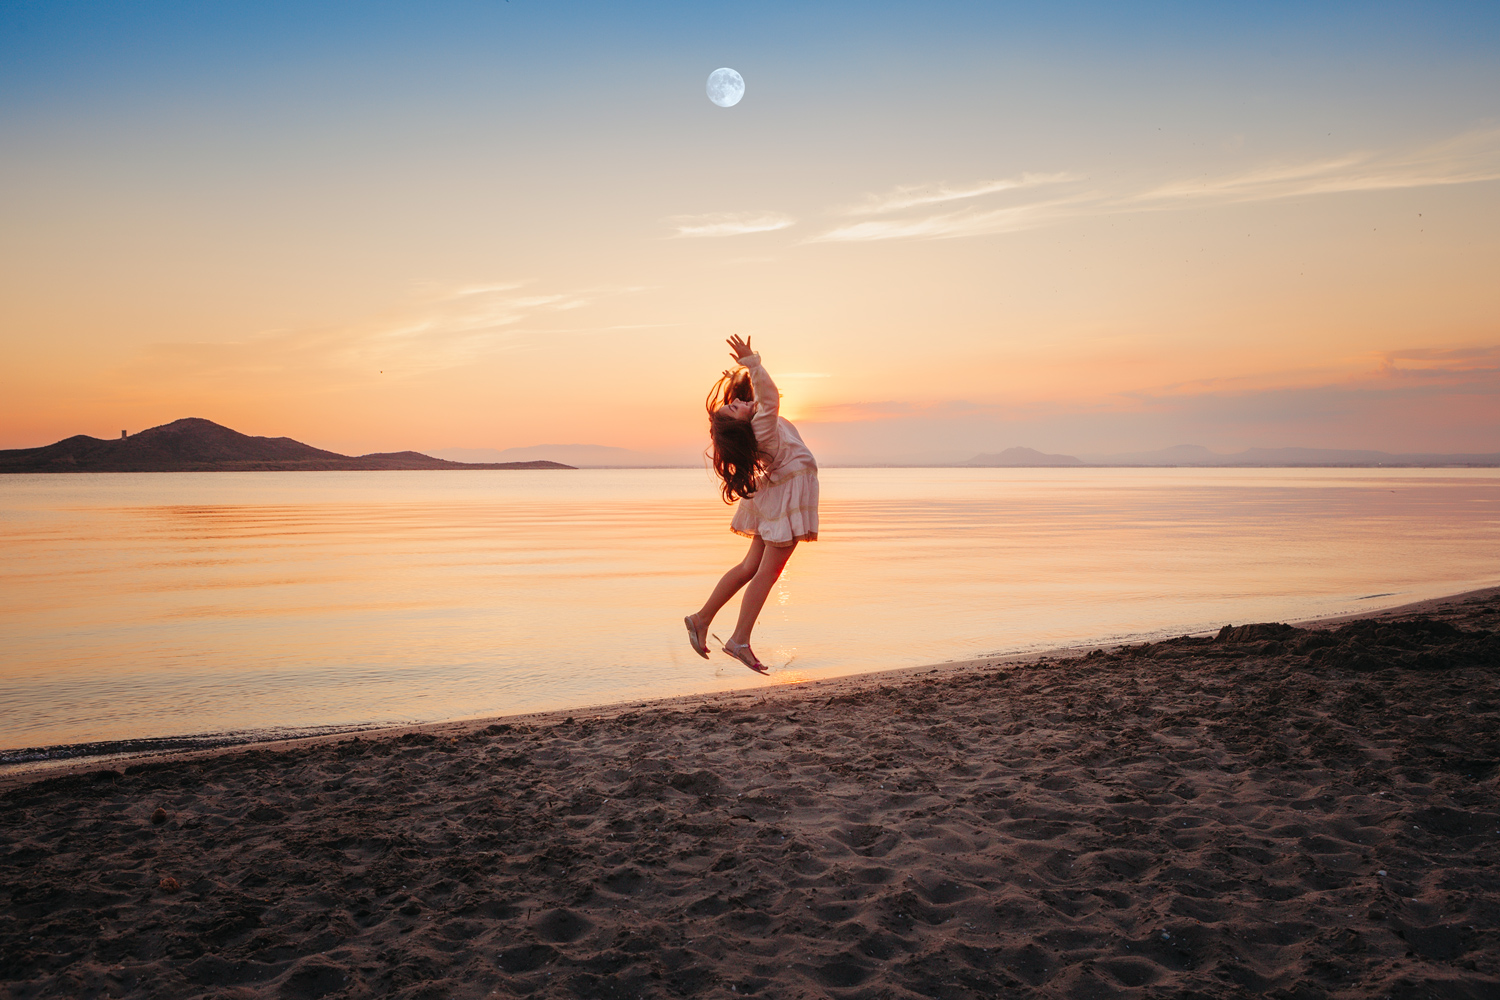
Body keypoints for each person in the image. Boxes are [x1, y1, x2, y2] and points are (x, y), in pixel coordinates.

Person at [684, 335, 819, 673]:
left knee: (749, 568)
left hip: (776, 494)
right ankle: (739, 640)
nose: (740, 403)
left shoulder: (756, 421)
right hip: (786, 494)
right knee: (768, 573)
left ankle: (701, 619)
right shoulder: (761, 426)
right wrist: (752, 362)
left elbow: (760, 397)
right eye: (734, 407)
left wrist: (744, 373)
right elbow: (769, 398)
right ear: (743, 424)